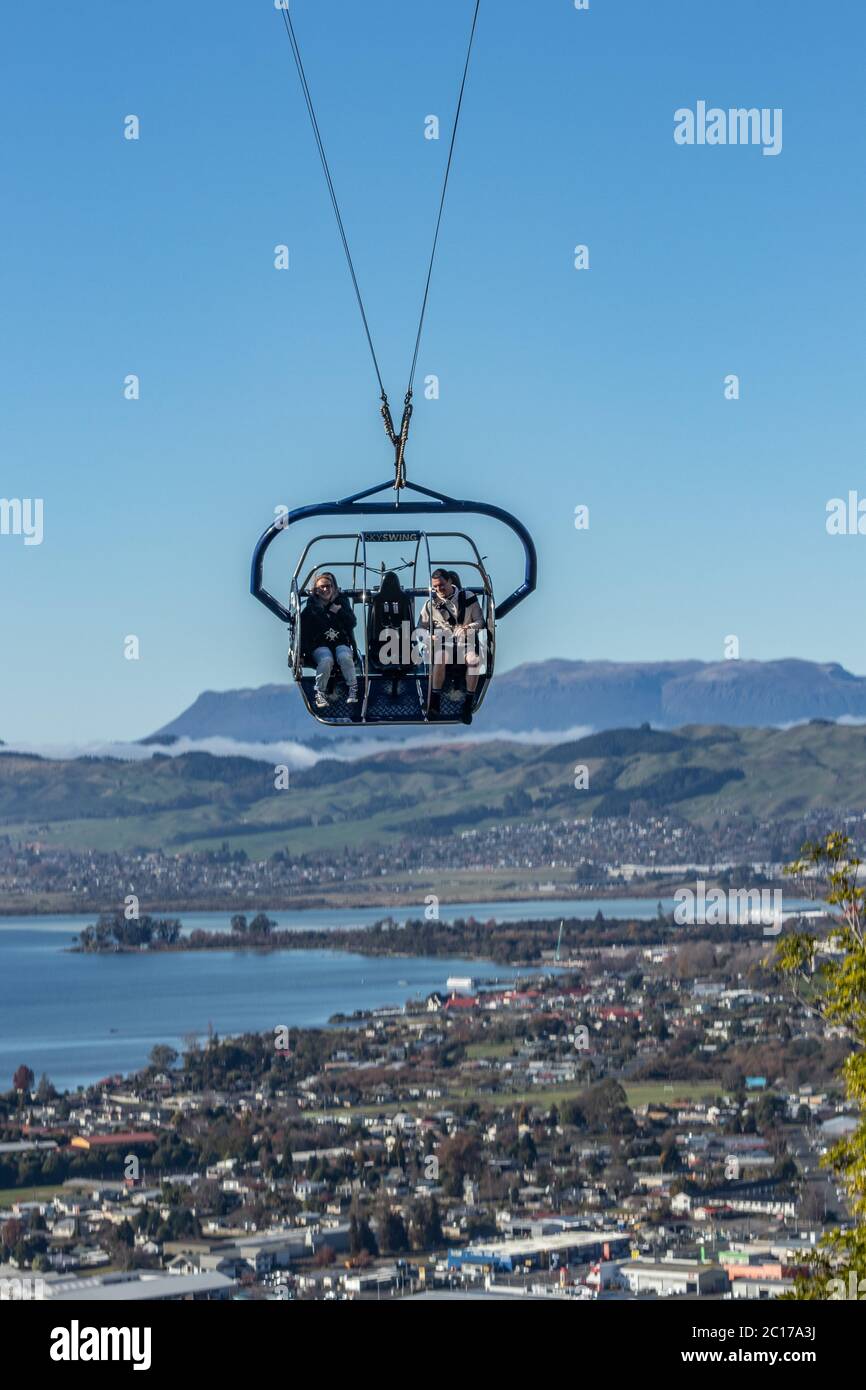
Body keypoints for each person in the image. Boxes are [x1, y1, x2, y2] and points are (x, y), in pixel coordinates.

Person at [419, 568, 485, 723]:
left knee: (474, 660)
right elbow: (420, 628)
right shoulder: (431, 605)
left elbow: (480, 621)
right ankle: (434, 702)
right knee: (441, 657)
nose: (438, 590)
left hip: (465, 642)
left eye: (441, 585)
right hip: (443, 645)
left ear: (450, 581)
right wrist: (430, 637)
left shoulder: (468, 598)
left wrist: (468, 628)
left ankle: (468, 705)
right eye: (435, 587)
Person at [300, 571, 359, 709]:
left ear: (333, 588)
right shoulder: (310, 611)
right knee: (326, 660)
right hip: (320, 645)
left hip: (340, 643)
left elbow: (352, 623)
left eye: (329, 586)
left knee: (344, 656)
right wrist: (301, 654)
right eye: (322, 587)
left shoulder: (341, 605)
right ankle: (320, 692)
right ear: (316, 590)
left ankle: (353, 688)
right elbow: (303, 633)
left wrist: (339, 612)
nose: (326, 589)